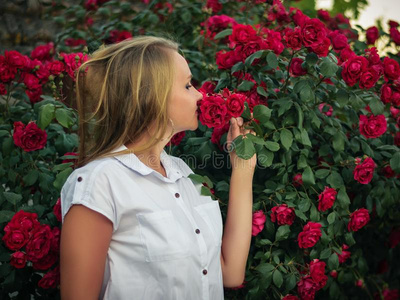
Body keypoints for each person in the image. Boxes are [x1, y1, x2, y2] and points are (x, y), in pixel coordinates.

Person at [60, 35, 257, 300]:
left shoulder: (184, 175)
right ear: (151, 96)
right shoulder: (100, 183)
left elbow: (230, 272)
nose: (200, 95)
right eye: (188, 85)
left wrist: (243, 168)